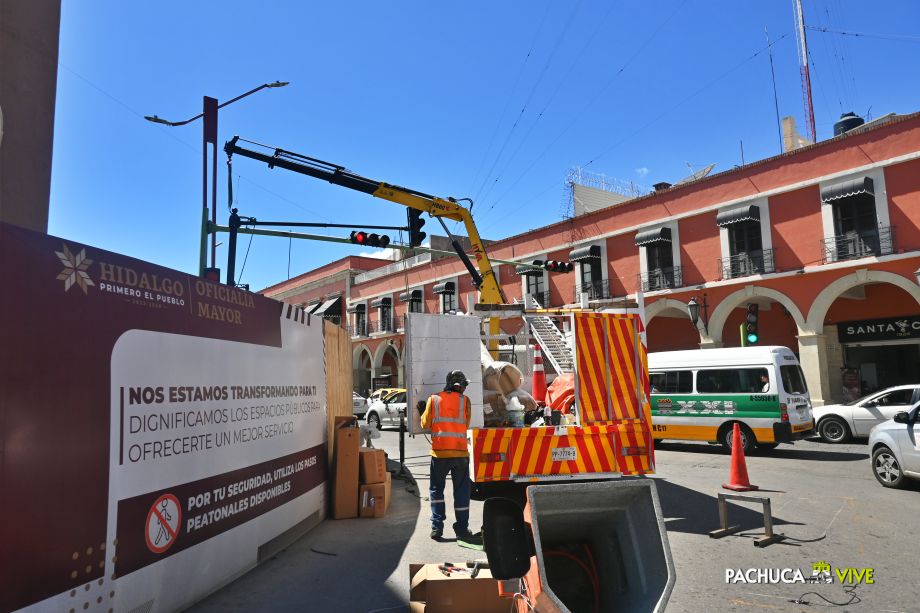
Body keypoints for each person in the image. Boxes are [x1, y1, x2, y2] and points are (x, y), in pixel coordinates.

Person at [421, 370, 474, 542]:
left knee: (437, 490)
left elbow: (425, 424)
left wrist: (423, 411)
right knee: (461, 492)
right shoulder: (465, 401)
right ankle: (462, 529)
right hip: (460, 454)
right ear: (462, 386)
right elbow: (466, 424)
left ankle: (437, 528)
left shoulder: (434, 399)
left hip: (440, 454)